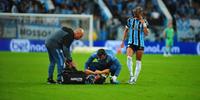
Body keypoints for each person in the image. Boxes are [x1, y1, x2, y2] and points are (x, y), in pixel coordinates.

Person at [120, 7, 149, 84]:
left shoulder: (145, 21)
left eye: (137, 13)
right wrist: (123, 41)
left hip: (140, 44)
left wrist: (144, 24)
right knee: (129, 58)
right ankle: (131, 76)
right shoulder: (130, 20)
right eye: (135, 13)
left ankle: (134, 79)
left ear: (140, 13)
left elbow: (146, 34)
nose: (135, 14)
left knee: (138, 61)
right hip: (131, 42)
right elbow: (126, 30)